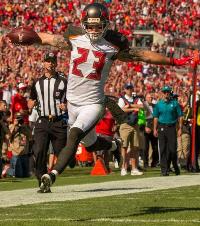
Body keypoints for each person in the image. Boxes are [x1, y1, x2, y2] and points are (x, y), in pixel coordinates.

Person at [3, 3, 192, 191]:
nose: (94, 30)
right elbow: (47, 38)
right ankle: (113, 147)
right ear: (84, 24)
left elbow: (142, 55)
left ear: (106, 25)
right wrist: (26, 37)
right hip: (72, 104)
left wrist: (175, 61)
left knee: (75, 135)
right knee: (91, 144)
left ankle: (51, 175)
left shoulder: (111, 46)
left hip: (93, 103)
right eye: (90, 25)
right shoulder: (74, 38)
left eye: (98, 26)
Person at [28, 52, 68, 192]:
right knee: (39, 151)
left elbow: (71, 99)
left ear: (56, 64)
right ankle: (42, 181)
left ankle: (56, 171)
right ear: (43, 63)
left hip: (58, 122)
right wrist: (30, 104)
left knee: (62, 153)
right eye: (48, 61)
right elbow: (31, 98)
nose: (50, 64)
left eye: (52, 61)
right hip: (43, 121)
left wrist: (67, 106)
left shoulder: (63, 81)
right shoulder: (37, 83)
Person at [153, 86, 183, 176]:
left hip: (172, 127)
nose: (166, 93)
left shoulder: (175, 103)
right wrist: (154, 128)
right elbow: (155, 117)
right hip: (162, 127)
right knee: (162, 149)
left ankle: (174, 165)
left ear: (170, 93)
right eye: (165, 92)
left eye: (168, 92)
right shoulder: (159, 104)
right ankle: (164, 170)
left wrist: (180, 128)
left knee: (172, 150)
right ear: (162, 93)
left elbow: (180, 116)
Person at [118, 83, 144, 176]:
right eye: (127, 88)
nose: (129, 90)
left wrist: (129, 106)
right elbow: (121, 110)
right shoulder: (121, 99)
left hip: (135, 125)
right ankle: (123, 168)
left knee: (135, 147)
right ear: (125, 89)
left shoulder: (136, 98)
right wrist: (134, 108)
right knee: (124, 147)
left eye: (130, 88)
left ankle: (133, 168)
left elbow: (141, 107)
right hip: (125, 124)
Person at [143, 93, 158, 168]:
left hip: (154, 128)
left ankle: (154, 163)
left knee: (155, 147)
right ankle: (145, 163)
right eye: (149, 97)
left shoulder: (155, 106)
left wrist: (155, 128)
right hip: (145, 128)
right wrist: (145, 127)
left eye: (151, 97)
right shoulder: (142, 105)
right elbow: (140, 118)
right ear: (145, 98)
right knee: (145, 147)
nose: (150, 99)